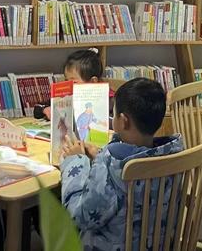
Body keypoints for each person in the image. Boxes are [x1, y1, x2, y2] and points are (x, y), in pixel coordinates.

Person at [59, 77, 183, 250]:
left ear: (123, 121)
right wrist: (100, 155)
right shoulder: (174, 155)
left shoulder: (113, 167)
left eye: (114, 112)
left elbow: (79, 217)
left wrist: (75, 161)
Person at [36, 48, 115, 120]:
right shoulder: (67, 95)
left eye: (74, 82)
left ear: (93, 82)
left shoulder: (110, 100)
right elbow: (37, 107)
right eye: (66, 80)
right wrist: (45, 110)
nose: (69, 86)